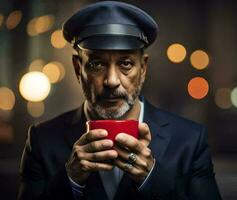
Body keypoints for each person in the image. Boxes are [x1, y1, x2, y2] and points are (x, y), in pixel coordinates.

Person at [18, 1, 222, 200]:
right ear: (78, 68)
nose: (111, 81)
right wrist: (70, 179)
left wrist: (151, 178)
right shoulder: (42, 141)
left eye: (125, 63)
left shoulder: (190, 140)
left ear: (143, 68)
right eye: (97, 64)